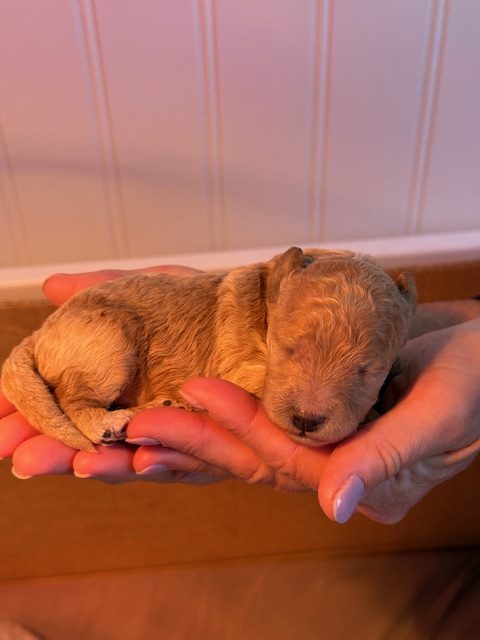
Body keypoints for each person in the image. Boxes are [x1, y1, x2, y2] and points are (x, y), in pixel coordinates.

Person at [1, 267, 479, 525]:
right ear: (276, 297)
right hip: (92, 331)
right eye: (290, 351)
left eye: (365, 370)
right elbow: (241, 378)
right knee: (104, 350)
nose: (311, 409)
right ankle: (82, 409)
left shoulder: (389, 318)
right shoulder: (248, 319)